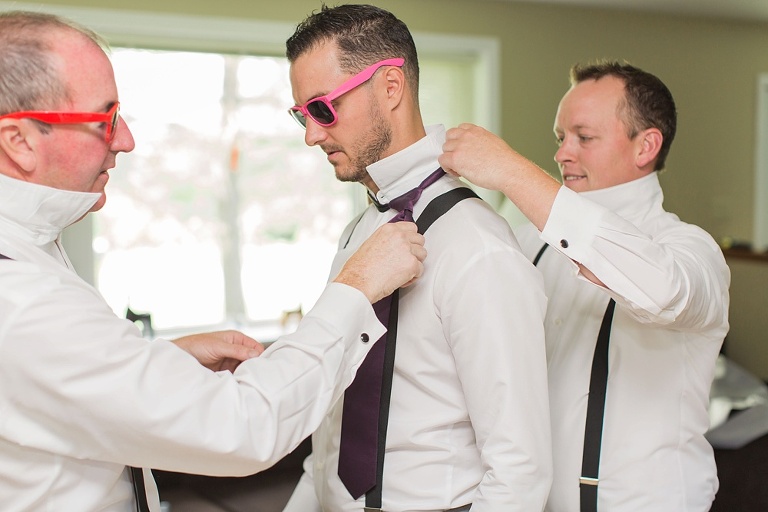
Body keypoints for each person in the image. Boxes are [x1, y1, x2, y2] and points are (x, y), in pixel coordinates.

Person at [0, 10, 428, 511]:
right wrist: (353, 290)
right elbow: (241, 427)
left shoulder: (28, 254)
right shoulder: (23, 299)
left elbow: (57, 378)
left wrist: (164, 361)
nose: (126, 140)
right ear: (19, 143)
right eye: (105, 119)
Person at [282, 4, 551, 512]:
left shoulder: (478, 248)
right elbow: (336, 425)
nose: (311, 135)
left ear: (390, 87)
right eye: (302, 114)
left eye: (322, 109)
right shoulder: (358, 234)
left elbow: (519, 470)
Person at [439, 61, 730, 512]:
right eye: (560, 137)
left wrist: (511, 172)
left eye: (584, 137)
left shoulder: (691, 250)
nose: (561, 154)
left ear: (646, 146)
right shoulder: (526, 239)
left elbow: (664, 291)